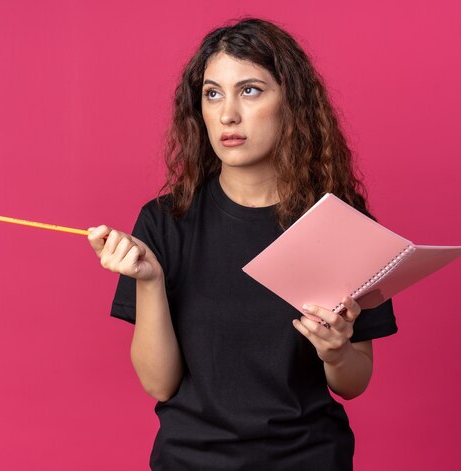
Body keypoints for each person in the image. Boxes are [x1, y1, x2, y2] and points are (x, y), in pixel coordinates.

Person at [87, 17, 397, 471]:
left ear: (291, 104)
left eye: (250, 90)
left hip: (309, 459)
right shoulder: (164, 222)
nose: (227, 114)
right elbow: (159, 384)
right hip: (189, 461)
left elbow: (353, 382)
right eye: (213, 94)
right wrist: (150, 282)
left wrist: (336, 351)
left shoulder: (341, 228)